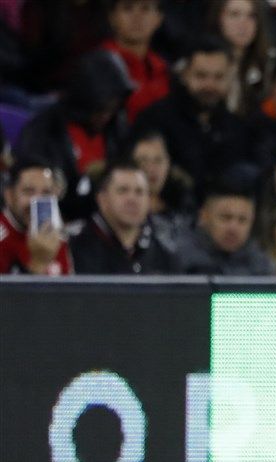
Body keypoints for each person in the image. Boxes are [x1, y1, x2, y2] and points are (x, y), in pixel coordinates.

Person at [132, 36, 262, 195]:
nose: (210, 85)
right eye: (201, 76)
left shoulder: (237, 128)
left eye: (218, 77)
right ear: (185, 75)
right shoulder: (154, 119)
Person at [16, 50, 134, 219]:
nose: (106, 115)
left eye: (112, 108)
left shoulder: (116, 127)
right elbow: (37, 193)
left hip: (110, 222)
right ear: (84, 99)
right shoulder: (44, 130)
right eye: (100, 108)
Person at [69, 161, 176, 274]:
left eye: (139, 192)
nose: (132, 199)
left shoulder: (164, 253)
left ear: (149, 201)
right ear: (102, 200)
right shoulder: (75, 247)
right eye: (123, 190)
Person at [174, 182, 273, 275]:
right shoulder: (177, 258)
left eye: (242, 220)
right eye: (225, 217)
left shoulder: (261, 266)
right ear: (203, 217)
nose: (233, 228)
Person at [0, 158, 73, 275]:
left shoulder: (59, 238)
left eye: (46, 193)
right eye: (29, 192)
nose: (37, 203)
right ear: (9, 196)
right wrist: (39, 263)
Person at [100, 0, 169, 122]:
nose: (137, 17)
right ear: (112, 18)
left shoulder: (164, 70)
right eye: (127, 8)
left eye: (145, 9)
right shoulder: (97, 66)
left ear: (158, 18)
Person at [129, 129, 197, 253]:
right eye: (142, 161)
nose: (151, 168)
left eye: (158, 160)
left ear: (168, 164)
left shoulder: (184, 201)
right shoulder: (121, 207)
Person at [205, 0, 276, 115]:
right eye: (234, 14)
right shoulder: (200, 60)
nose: (244, 24)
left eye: (251, 16)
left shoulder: (269, 64)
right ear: (218, 19)